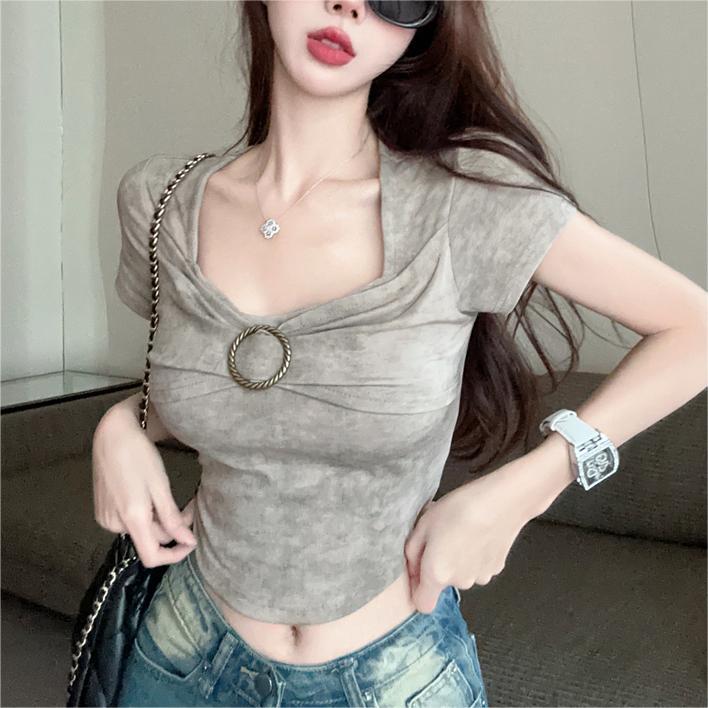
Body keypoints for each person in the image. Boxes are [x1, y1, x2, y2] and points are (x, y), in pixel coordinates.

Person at [95, 1, 708, 706]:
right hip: (179, 655)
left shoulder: (464, 202)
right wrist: (121, 424)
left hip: (393, 680)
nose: (348, 5)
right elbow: (223, 394)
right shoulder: (161, 203)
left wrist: (530, 486)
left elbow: (693, 329)